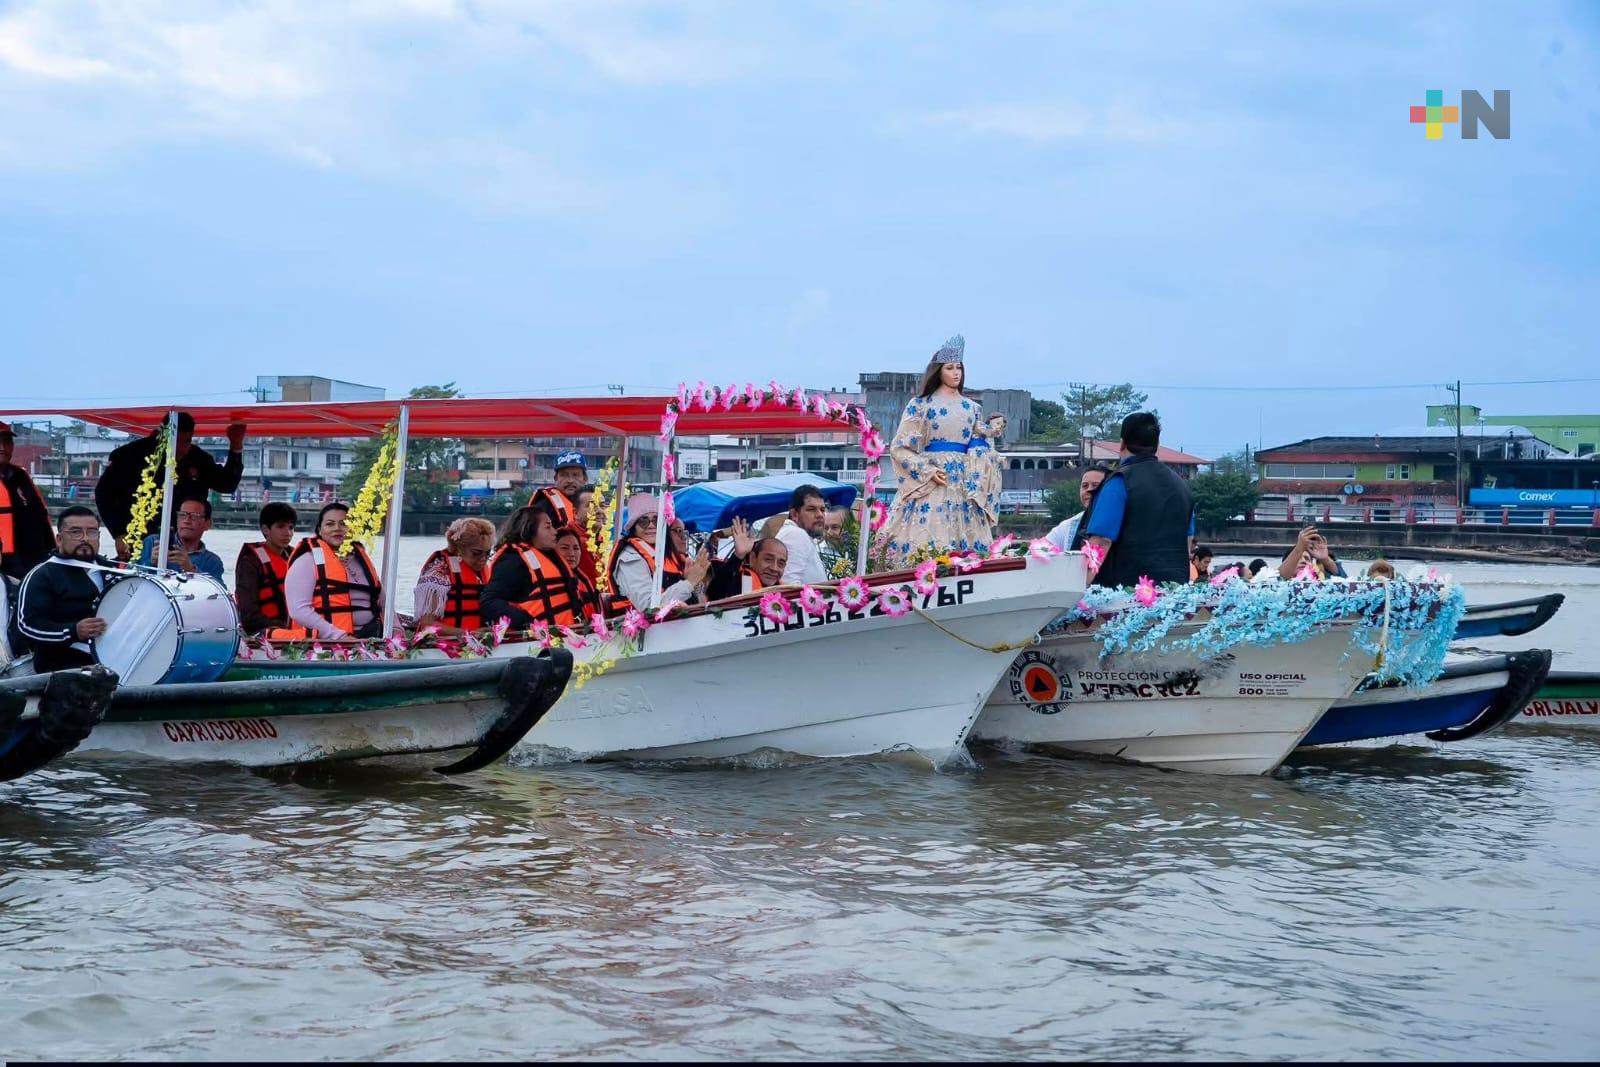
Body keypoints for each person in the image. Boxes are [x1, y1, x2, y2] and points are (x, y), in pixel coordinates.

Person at [875, 335, 1001, 567]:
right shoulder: (921, 404)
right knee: (927, 534)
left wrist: (986, 447)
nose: (956, 373)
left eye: (959, 368)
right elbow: (900, 447)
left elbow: (979, 443)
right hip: (933, 476)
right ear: (938, 371)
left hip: (963, 481)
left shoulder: (973, 408)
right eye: (950, 368)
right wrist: (925, 469)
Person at [95, 412, 247, 560]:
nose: (180, 448)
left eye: (186, 441)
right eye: (175, 441)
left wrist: (236, 446)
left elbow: (227, 484)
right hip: (138, 536)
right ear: (161, 435)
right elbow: (103, 494)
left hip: (182, 541)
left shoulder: (198, 459)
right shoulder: (130, 455)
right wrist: (119, 532)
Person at [1082, 412, 1195, 588]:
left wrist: (1079, 587)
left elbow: (1101, 541)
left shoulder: (1119, 482)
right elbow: (1188, 540)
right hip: (1173, 595)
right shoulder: (1181, 486)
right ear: (1156, 445)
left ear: (1122, 444)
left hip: (1126, 595)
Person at [16, 507, 120, 673]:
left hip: (117, 664)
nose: (85, 538)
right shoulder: (42, 575)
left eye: (92, 532)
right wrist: (73, 631)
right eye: (75, 532)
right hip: (62, 671)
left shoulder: (113, 570)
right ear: (59, 538)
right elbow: (27, 626)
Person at [481, 497, 589, 630]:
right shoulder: (513, 561)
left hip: (568, 637)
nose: (555, 532)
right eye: (548, 527)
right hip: (537, 643)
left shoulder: (552, 557)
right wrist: (526, 623)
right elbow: (489, 602)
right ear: (530, 530)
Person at [282, 502, 384, 640]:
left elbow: (382, 600)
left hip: (371, 636)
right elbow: (298, 610)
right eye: (330, 524)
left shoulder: (361, 558)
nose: (337, 528)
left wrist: (396, 627)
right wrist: (338, 636)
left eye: (344, 524)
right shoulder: (307, 560)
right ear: (319, 530)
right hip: (329, 642)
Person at [606, 494, 711, 614]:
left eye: (656, 520)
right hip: (643, 631)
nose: (651, 525)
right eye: (643, 521)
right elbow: (648, 607)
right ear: (634, 527)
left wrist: (695, 584)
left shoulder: (668, 554)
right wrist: (689, 582)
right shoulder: (630, 557)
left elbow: (699, 602)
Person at [413, 516, 496, 637]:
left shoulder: (483, 571)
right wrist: (467, 634)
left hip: (479, 644)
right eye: (476, 553)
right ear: (458, 548)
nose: (483, 559)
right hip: (444, 646)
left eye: (488, 553)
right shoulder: (439, 572)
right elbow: (428, 624)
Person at [0, 421, 55, 582]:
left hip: (30, 563)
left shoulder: (20, 476)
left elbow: (40, 517)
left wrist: (52, 553)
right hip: (5, 566)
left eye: (7, 441)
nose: (3, 447)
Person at [234, 503, 298, 637]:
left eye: (291, 527)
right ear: (265, 529)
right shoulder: (250, 561)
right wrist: (284, 628)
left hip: (295, 629)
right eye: (281, 526)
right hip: (262, 632)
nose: (288, 533)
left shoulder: (297, 557)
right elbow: (249, 616)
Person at [136, 496, 225, 581]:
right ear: (177, 520)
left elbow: (220, 592)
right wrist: (150, 563)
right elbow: (129, 577)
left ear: (208, 524)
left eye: (194, 516)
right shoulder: (154, 542)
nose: (187, 520)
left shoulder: (212, 561)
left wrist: (191, 570)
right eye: (182, 515)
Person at [1043, 463, 1112, 552]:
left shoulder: (1122, 523)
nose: (1089, 490)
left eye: (1095, 485)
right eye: (1085, 486)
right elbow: (1040, 549)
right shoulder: (1068, 526)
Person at [776, 484, 829, 584]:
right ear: (794, 514)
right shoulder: (796, 534)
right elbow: (789, 584)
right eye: (811, 509)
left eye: (822, 509)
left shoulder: (798, 533)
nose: (820, 515)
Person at [554, 526, 602, 617]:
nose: (571, 554)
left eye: (576, 548)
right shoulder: (551, 582)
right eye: (564, 548)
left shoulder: (582, 580)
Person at [1277, 525, 1347, 580]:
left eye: (1307, 559)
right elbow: (1277, 579)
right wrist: (1298, 549)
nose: (1303, 561)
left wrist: (1326, 560)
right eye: (1298, 559)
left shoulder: (1320, 584)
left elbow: (1344, 582)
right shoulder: (1279, 588)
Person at [818, 506, 850, 575]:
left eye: (835, 527)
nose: (829, 532)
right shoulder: (816, 553)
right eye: (826, 528)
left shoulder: (861, 551)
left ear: (848, 526)